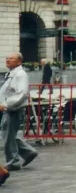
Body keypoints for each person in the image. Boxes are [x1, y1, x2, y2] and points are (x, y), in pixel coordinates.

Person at [1, 52, 39, 180]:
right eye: (7, 58)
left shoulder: (20, 75)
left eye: (11, 58)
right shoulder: (12, 74)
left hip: (13, 109)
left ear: (19, 62)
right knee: (9, 135)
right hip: (8, 109)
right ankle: (28, 152)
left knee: (8, 136)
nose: (7, 60)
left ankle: (13, 162)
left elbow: (21, 93)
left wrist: (6, 104)